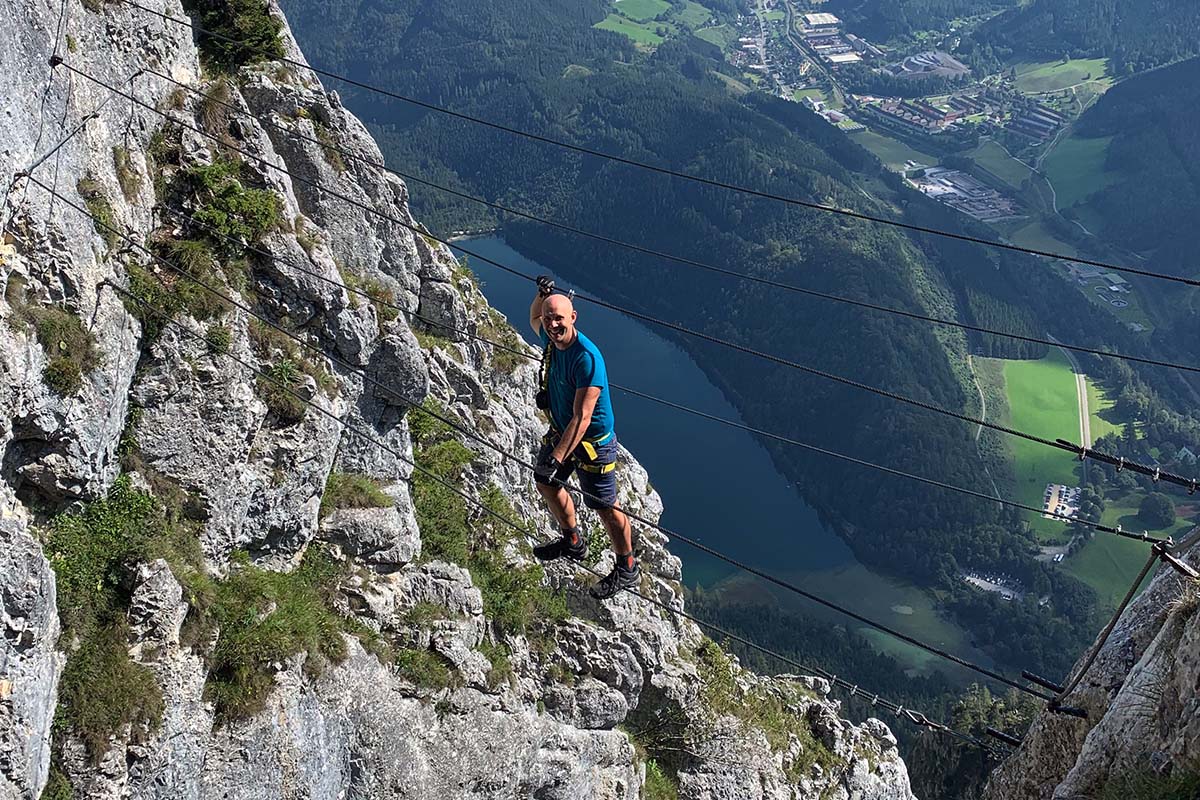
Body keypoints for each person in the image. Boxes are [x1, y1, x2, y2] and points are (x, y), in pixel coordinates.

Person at [528, 275, 639, 600]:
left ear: (573, 318)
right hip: (565, 432)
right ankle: (572, 541)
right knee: (546, 482)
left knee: (604, 506)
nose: (551, 324)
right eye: (549, 319)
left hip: (593, 443)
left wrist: (557, 458)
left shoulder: (587, 358)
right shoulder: (552, 341)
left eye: (558, 318)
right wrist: (542, 295)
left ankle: (627, 566)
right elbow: (534, 316)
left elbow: (583, 416)